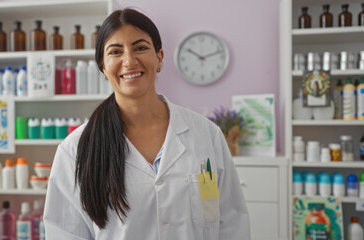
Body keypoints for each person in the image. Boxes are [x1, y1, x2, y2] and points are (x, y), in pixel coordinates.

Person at [44, 8, 250, 240]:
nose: (129, 60)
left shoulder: (206, 135)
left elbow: (232, 223)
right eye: (115, 51)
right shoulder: (75, 150)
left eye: (141, 47)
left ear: (159, 57)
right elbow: (66, 233)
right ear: (102, 65)